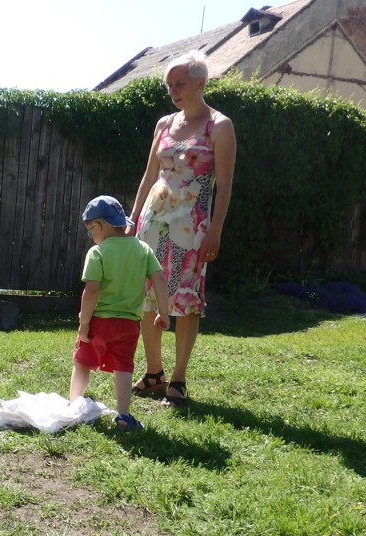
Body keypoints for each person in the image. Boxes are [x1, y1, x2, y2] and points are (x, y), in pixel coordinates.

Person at [129, 50, 236, 407]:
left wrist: (215, 230)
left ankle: (178, 379)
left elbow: (225, 184)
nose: (173, 90)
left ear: (201, 83)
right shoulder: (163, 124)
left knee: (186, 299)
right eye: (169, 85)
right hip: (153, 220)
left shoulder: (219, 125)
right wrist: (133, 218)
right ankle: (154, 372)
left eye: (180, 83)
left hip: (192, 225)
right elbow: (149, 175)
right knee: (147, 294)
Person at [70, 196, 170, 431]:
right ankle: (124, 415)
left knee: (83, 362)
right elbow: (159, 278)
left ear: (98, 226)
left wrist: (84, 323)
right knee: (124, 367)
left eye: (89, 231)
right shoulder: (142, 249)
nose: (90, 236)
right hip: (128, 324)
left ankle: (73, 406)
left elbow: (91, 290)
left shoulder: (98, 252)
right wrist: (163, 312)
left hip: (99, 322)